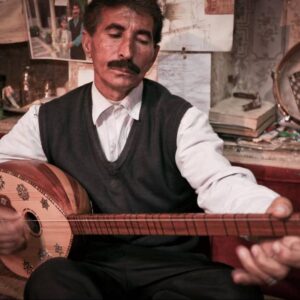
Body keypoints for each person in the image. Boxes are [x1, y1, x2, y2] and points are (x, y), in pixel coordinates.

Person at [0, 0, 297, 299]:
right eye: (114, 34)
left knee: (236, 291)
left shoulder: (181, 119)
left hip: (174, 269)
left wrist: (268, 214)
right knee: (48, 281)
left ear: (154, 53)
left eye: (142, 39)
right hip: (90, 267)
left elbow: (219, 182)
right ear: (88, 43)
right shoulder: (47, 119)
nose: (127, 52)